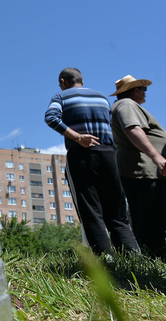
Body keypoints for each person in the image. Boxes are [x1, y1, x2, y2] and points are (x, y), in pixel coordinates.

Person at [44, 68, 139, 256]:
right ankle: (133, 257)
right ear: (81, 80)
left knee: (90, 210)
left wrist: (78, 137)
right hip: (109, 154)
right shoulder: (102, 97)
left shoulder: (61, 96)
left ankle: (106, 260)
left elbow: (51, 118)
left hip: (82, 155)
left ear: (63, 82)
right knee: (117, 212)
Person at [110, 75, 166, 264]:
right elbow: (132, 130)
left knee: (155, 219)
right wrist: (157, 156)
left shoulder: (128, 106)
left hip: (147, 172)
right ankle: (161, 268)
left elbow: (143, 135)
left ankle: (161, 265)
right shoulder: (127, 105)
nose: (145, 93)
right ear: (135, 90)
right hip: (145, 172)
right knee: (153, 223)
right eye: (143, 89)